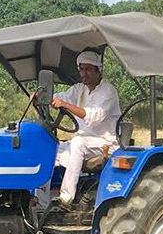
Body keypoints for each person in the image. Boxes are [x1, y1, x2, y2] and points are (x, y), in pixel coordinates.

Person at [50, 50, 121, 207]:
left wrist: (66, 105)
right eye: (81, 69)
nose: (84, 73)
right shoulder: (79, 89)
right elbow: (61, 97)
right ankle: (40, 203)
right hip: (85, 141)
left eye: (88, 69)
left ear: (98, 70)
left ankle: (66, 198)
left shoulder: (108, 92)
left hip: (105, 143)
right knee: (49, 148)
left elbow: (94, 116)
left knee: (78, 143)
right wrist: (43, 96)